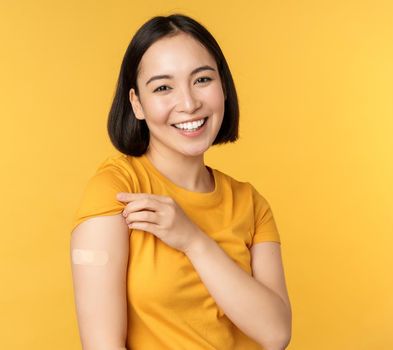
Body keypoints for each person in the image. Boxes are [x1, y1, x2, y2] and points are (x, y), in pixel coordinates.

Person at [69, 14, 291, 350]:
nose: (189, 104)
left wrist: (193, 241)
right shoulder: (117, 189)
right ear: (137, 104)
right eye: (163, 87)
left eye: (202, 80)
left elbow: (276, 333)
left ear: (223, 87)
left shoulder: (251, 203)